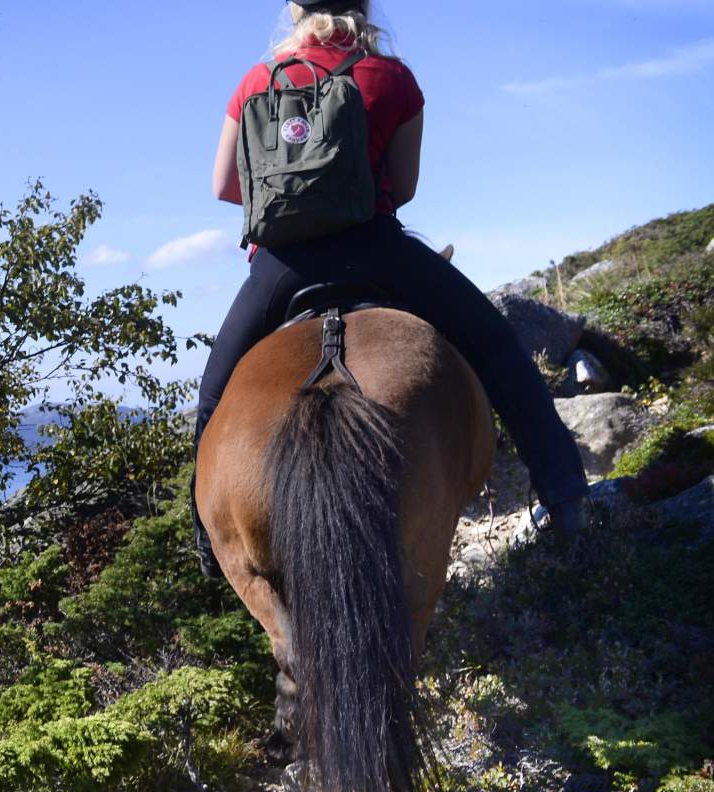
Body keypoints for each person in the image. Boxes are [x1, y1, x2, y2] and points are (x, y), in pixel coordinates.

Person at [192, 0, 588, 576]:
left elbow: (225, 185)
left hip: (282, 267)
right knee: (498, 347)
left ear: (295, 9)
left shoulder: (257, 82)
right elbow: (402, 187)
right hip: (377, 249)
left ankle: (207, 541)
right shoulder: (392, 77)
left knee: (214, 393)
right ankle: (566, 499)